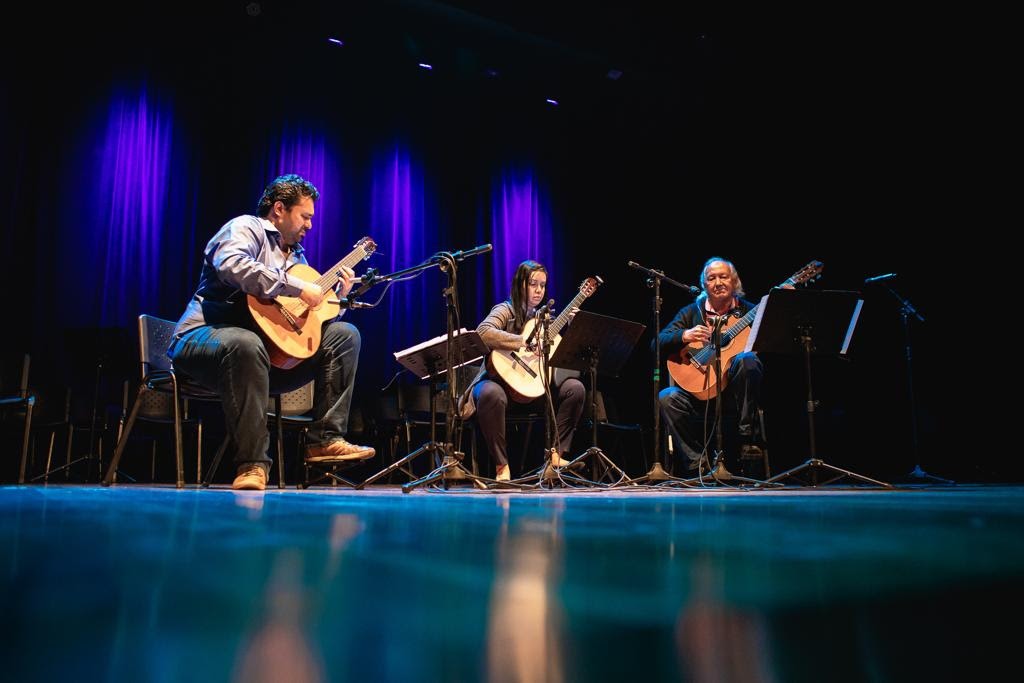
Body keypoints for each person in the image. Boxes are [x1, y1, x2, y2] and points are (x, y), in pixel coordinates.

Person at [169, 174, 374, 491]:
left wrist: (339, 299)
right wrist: (297, 286)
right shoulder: (245, 228)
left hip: (265, 357)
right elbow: (233, 266)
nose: (309, 225)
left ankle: (325, 439)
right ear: (279, 209)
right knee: (245, 343)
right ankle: (252, 465)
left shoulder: (297, 256)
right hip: (205, 336)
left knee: (345, 334)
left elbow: (304, 318)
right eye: (305, 216)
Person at [460, 260, 586, 481]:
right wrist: (522, 341)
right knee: (490, 394)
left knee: (574, 388)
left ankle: (556, 455)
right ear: (520, 285)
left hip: (530, 387)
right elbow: (483, 332)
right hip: (497, 381)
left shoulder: (543, 319)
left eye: (543, 285)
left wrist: (574, 328)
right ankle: (502, 466)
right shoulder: (504, 310)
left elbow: (564, 364)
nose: (539, 290)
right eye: (533, 284)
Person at [657, 257, 764, 473]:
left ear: (735, 282)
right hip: (699, 394)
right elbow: (657, 342)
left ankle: (747, 440)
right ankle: (699, 465)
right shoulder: (691, 312)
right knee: (667, 397)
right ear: (704, 285)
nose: (718, 282)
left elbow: (771, 341)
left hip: (735, 393)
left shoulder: (750, 312)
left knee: (748, 360)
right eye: (711, 278)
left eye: (723, 277)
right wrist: (684, 334)